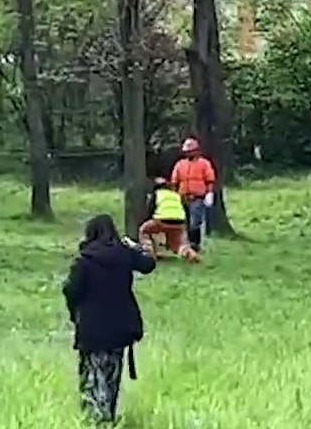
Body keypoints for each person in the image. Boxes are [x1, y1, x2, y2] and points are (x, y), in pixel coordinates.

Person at [62, 214, 156, 425]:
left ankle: (96, 420)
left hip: (92, 329)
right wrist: (134, 246)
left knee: (92, 378)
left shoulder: (84, 261)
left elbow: (71, 290)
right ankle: (109, 418)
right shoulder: (124, 256)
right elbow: (148, 264)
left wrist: (75, 312)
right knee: (112, 376)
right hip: (120, 329)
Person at [169, 137, 216, 252]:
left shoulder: (204, 163)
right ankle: (184, 244)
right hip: (182, 197)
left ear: (197, 151)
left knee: (195, 222)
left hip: (197, 197)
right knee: (184, 222)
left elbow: (209, 179)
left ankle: (195, 244)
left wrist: (209, 193)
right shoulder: (180, 164)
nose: (188, 153)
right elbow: (174, 181)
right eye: (187, 152)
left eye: (191, 151)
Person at [138, 178, 199, 262]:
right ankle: (189, 253)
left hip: (161, 220)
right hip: (179, 222)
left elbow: (150, 209)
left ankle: (149, 253)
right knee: (179, 243)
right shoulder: (176, 195)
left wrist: (147, 219)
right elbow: (184, 209)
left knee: (144, 230)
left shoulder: (156, 194)